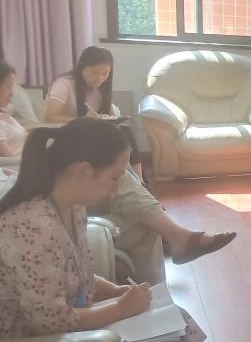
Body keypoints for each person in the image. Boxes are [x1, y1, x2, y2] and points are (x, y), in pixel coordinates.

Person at [0, 119, 231, 342]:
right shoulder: (31, 225)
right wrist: (122, 310)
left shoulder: (69, 207)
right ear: (83, 170)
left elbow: (79, 275)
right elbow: (47, 320)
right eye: (114, 176)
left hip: (53, 321)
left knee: (170, 321)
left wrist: (117, 292)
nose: (116, 186)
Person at [0, 61, 235, 269]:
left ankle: (159, 283)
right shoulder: (34, 227)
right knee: (119, 175)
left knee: (121, 160)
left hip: (43, 166)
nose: (13, 93)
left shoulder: (7, 116)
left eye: (105, 73)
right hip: (31, 169)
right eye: (9, 86)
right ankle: (172, 231)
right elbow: (11, 158)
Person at [43, 46, 145, 179]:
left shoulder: (100, 89)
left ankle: (138, 181)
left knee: (125, 132)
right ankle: (137, 182)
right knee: (123, 135)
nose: (100, 78)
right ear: (82, 68)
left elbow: (104, 114)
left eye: (105, 73)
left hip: (91, 131)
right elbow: (49, 116)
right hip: (67, 131)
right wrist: (81, 119)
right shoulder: (64, 84)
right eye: (94, 72)